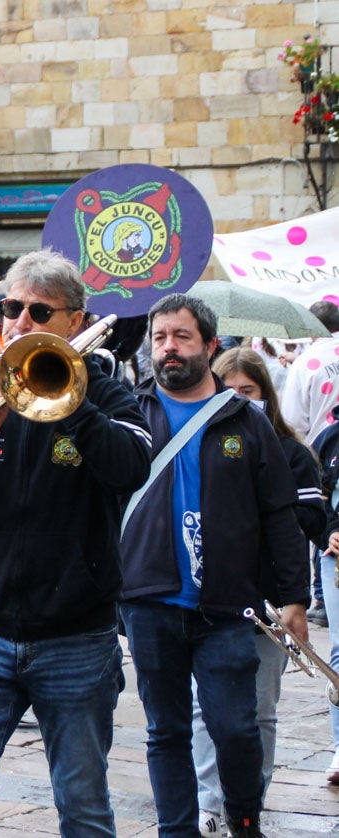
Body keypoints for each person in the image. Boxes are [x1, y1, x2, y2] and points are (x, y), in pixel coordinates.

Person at [0, 249, 151, 837]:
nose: (19, 321)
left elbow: (131, 468)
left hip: (76, 638)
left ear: (75, 321)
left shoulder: (110, 397)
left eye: (38, 311)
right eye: (10, 307)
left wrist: (70, 403)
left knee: (84, 807)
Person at [119, 295, 310, 838]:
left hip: (228, 604)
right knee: (166, 731)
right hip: (150, 600)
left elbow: (279, 512)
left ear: (209, 345)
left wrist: (295, 596)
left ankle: (245, 822)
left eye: (181, 336)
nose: (168, 348)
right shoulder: (132, 414)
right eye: (159, 338)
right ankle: (175, 830)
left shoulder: (246, 420)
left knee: (236, 727)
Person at [191, 348, 326, 836]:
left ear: (265, 396)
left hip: (266, 600)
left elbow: (311, 520)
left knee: (259, 711)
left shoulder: (290, 452)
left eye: (247, 392)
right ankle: (208, 804)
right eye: (228, 390)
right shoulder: (203, 441)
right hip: (213, 598)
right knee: (204, 708)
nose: (237, 400)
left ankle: (251, 800)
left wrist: (270, 501)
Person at [280, 301, 339, 445]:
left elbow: (294, 424)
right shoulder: (303, 363)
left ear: (310, 326)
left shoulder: (304, 364)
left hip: (324, 451)